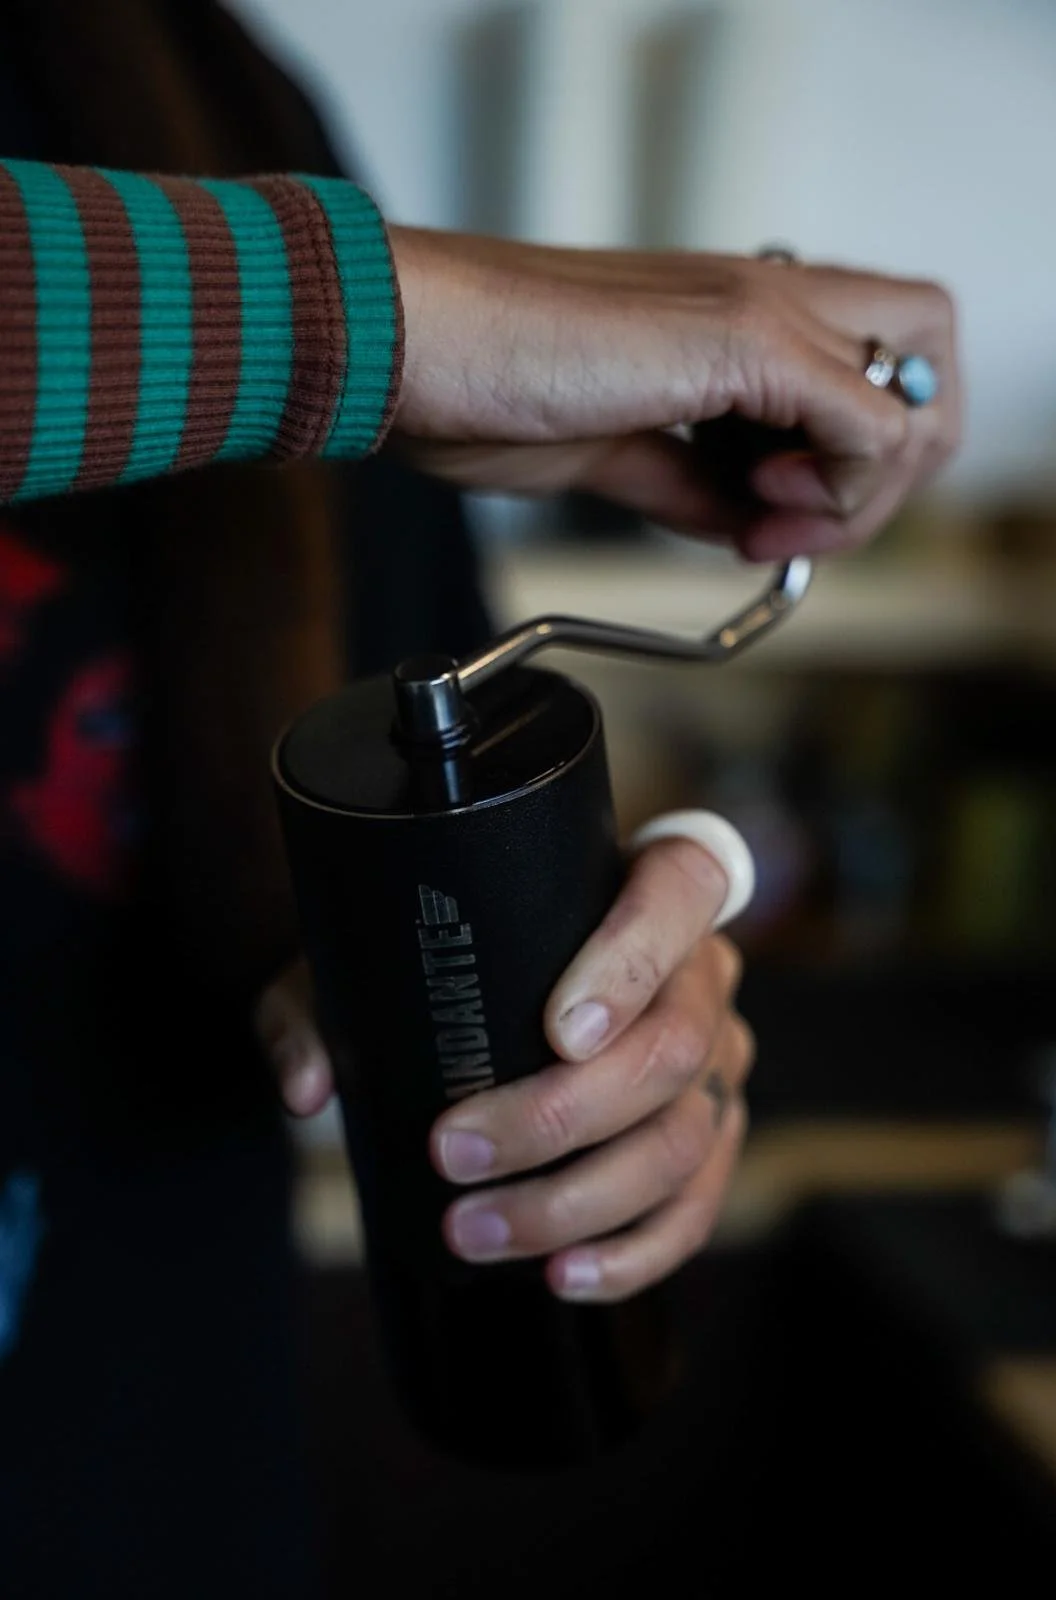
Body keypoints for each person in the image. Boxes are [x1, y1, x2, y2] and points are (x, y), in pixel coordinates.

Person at [0, 1, 961, 1594]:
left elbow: (398, 806)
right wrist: (402, 318)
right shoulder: (317, 253)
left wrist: (634, 982)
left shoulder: (205, 99)